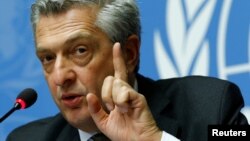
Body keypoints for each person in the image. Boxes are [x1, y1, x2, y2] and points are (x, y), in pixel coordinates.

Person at [7, 0, 249, 141]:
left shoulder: (211, 107)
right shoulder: (26, 139)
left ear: (129, 53)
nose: (60, 77)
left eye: (80, 50)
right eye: (48, 57)